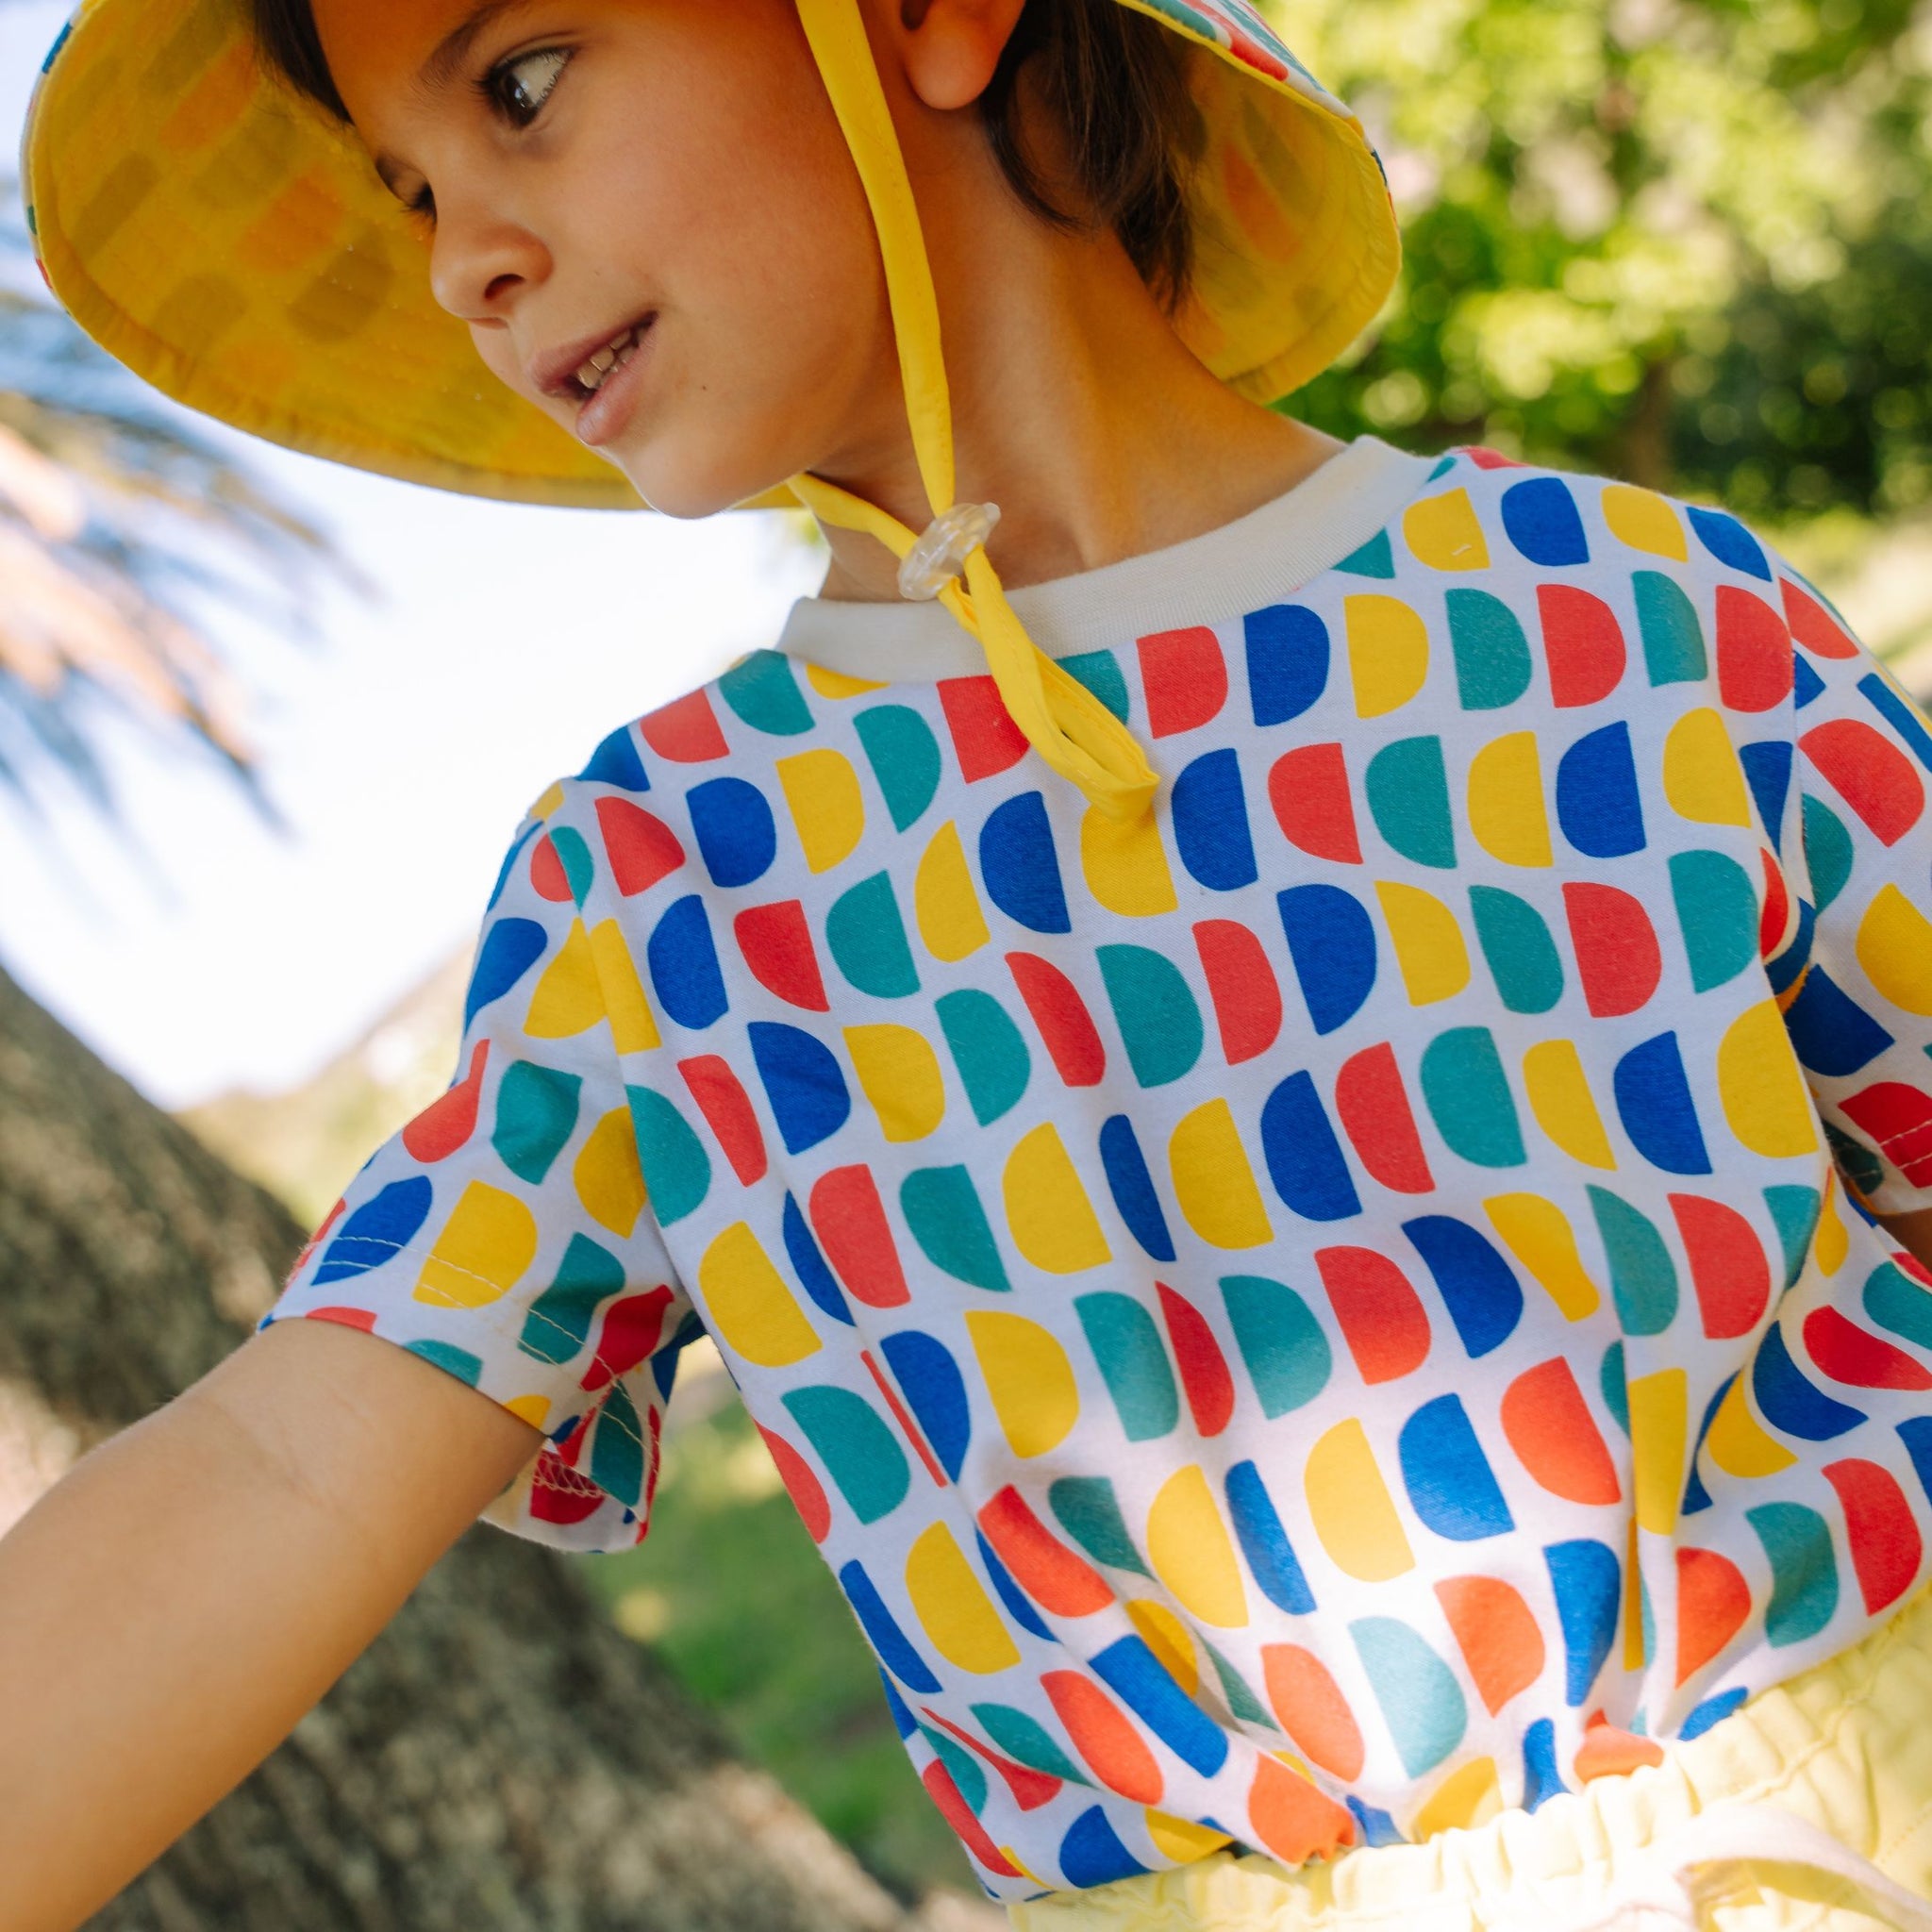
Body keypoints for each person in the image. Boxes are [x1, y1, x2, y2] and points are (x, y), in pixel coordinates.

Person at [9, 1, 1932, 1925]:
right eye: (410, 190)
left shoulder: (1611, 614)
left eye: (521, 82)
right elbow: (286, 1460)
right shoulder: (668, 886)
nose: (457, 259)